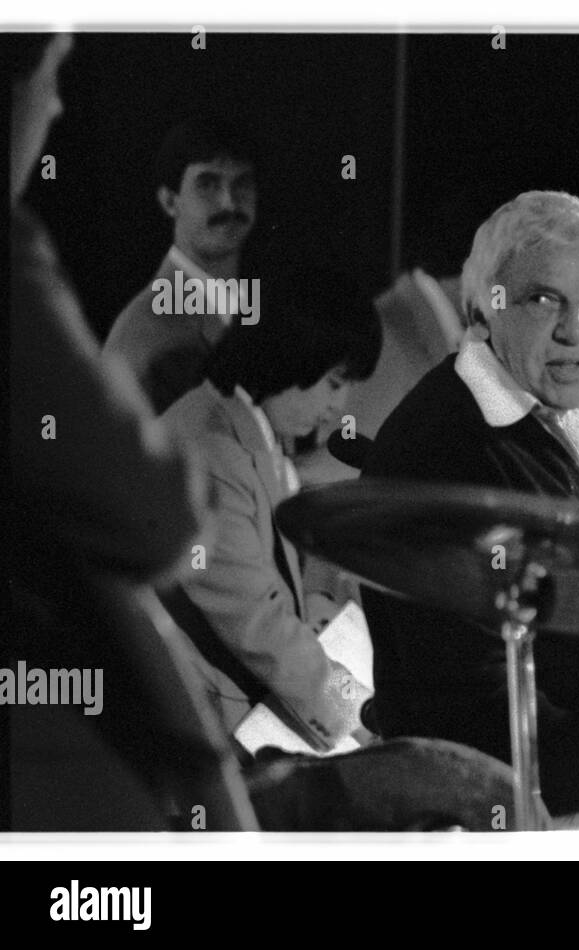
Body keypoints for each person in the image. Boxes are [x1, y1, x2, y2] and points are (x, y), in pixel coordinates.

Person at [8, 32, 255, 830]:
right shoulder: (145, 330)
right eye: (48, 76)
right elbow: (150, 516)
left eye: (243, 183)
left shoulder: (246, 315)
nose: (55, 105)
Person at [361, 191, 579, 817]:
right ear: (482, 311)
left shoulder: (549, 400)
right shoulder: (446, 448)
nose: (576, 330)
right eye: (543, 300)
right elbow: (475, 698)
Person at [157, 267, 382, 750]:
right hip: (218, 727)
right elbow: (262, 627)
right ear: (291, 354)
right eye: (334, 382)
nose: (340, 407)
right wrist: (358, 712)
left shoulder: (246, 428)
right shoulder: (213, 451)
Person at [103, 116, 258, 413]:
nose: (229, 203)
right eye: (208, 184)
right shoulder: (148, 333)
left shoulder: (250, 304)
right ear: (170, 201)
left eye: (242, 183)